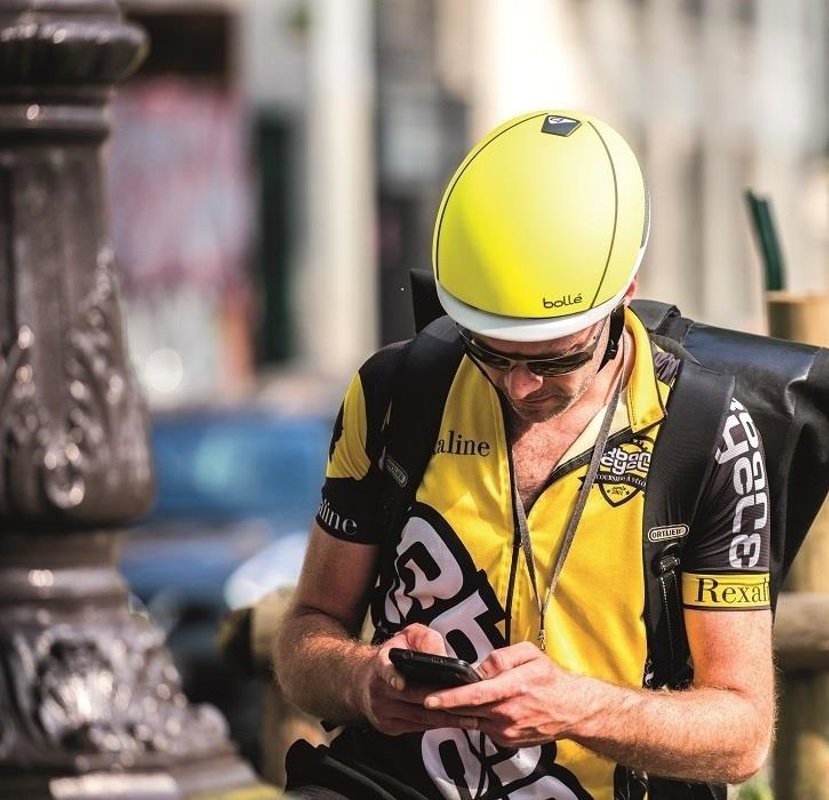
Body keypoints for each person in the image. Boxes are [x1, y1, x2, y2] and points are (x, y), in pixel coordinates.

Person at [275, 110, 775, 800]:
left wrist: (578, 709)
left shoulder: (708, 434)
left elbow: (744, 733)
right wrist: (361, 679)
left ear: (622, 298)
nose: (519, 386)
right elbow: (306, 633)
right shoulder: (395, 393)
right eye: (490, 351)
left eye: (554, 359)